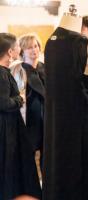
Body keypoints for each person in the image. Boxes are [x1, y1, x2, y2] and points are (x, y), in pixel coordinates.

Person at [43, 7, 88, 200]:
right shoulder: (83, 45)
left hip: (57, 130)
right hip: (85, 132)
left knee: (62, 179)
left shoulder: (50, 43)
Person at [0, 33, 41, 200]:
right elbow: (3, 103)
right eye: (18, 46)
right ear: (11, 52)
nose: (20, 48)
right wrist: (20, 99)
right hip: (6, 129)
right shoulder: (2, 73)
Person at [10, 33, 45, 172]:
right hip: (28, 121)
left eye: (35, 46)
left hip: (47, 120)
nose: (33, 50)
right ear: (22, 51)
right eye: (29, 48)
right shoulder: (18, 70)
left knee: (47, 158)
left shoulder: (45, 68)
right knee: (27, 159)